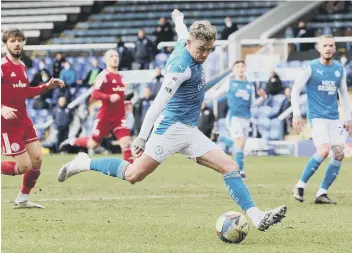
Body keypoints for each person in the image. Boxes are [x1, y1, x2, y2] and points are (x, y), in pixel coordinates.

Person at [58, 10, 286, 231]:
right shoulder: (180, 69)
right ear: (190, 44)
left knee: (230, 167)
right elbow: (157, 103)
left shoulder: (185, 40)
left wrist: (178, 18)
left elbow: (181, 30)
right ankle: (83, 162)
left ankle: (257, 217)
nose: (205, 55)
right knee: (133, 175)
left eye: (209, 50)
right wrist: (142, 137)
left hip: (189, 130)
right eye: (201, 49)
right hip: (170, 129)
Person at [1, 28, 65, 208]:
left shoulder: (22, 67)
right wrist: (2, 108)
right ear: (6, 43)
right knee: (24, 167)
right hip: (7, 124)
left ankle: (22, 200)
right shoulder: (2, 67)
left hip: (24, 120)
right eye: (13, 40)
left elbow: (26, 92)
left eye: (20, 40)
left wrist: (47, 86)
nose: (17, 43)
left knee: (37, 159)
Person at [291, 35, 352, 204]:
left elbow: (344, 95)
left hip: (334, 118)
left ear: (334, 48)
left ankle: (321, 193)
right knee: (324, 151)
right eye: (325, 45)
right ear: (319, 48)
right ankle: (300, 185)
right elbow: (295, 90)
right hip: (317, 117)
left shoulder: (339, 69)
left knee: (339, 153)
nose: (328, 48)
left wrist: (349, 118)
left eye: (331, 45)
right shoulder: (311, 67)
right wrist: (296, 114)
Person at [59, 49, 133, 163]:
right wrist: (109, 97)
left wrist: (126, 103)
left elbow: (121, 96)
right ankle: (72, 141)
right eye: (111, 56)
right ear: (106, 60)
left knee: (126, 142)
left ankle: (130, 170)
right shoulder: (103, 76)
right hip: (105, 117)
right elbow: (94, 93)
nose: (115, 58)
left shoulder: (121, 77)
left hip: (119, 117)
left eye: (116, 56)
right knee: (93, 144)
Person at [205, 61, 264, 179]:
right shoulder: (229, 83)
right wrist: (202, 95)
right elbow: (216, 94)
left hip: (246, 118)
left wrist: (262, 97)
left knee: (240, 146)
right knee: (240, 141)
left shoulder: (249, 86)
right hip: (234, 117)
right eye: (237, 67)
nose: (240, 69)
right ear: (233, 70)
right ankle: (240, 171)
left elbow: (253, 104)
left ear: (245, 68)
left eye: (242, 66)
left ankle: (220, 137)